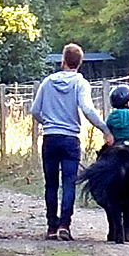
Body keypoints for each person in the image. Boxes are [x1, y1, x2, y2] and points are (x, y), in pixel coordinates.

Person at [31, 43, 114, 241]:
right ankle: (64, 225)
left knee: (51, 184)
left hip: (50, 138)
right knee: (69, 183)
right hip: (70, 140)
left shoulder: (48, 82)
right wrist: (105, 130)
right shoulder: (80, 83)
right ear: (80, 63)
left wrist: (48, 123)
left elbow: (34, 110)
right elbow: (87, 108)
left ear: (63, 60)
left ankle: (51, 226)